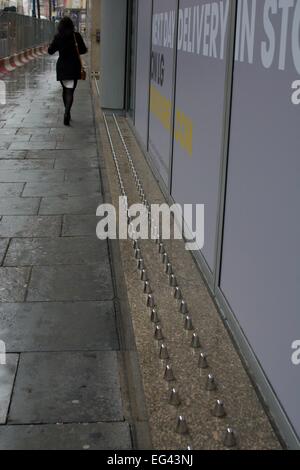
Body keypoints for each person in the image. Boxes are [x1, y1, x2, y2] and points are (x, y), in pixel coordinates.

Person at [48, 17, 87, 126]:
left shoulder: (58, 37)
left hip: (62, 68)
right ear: (71, 26)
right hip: (74, 67)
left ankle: (67, 113)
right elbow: (83, 50)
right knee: (70, 91)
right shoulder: (76, 36)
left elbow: (50, 51)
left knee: (65, 90)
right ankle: (66, 113)